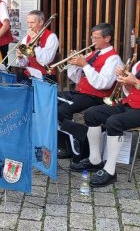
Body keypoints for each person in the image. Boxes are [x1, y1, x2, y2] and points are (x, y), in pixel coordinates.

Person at [57, 23, 123, 160]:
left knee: (63, 110)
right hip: (82, 92)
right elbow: (76, 78)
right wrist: (73, 65)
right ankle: (66, 140)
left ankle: (74, 144)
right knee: (53, 100)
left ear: (107, 38)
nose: (92, 41)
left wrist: (85, 65)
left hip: (97, 96)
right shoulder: (93, 54)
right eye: (92, 38)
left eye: (96, 38)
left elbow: (102, 84)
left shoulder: (113, 59)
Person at [70, 61, 140, 187]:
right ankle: (95, 160)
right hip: (129, 104)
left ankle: (110, 170)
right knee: (92, 113)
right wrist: (126, 81)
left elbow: (137, 84)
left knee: (114, 122)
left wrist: (135, 82)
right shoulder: (138, 64)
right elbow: (131, 91)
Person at [16, 10, 59, 82]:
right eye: (28, 22)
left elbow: (45, 61)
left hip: (46, 76)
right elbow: (23, 64)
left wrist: (35, 43)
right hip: (30, 75)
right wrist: (20, 57)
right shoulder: (26, 37)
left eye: (32, 22)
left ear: (41, 22)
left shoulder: (51, 37)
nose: (29, 26)